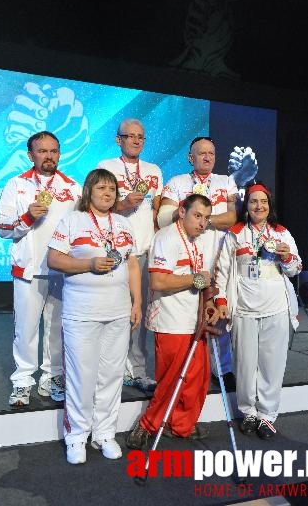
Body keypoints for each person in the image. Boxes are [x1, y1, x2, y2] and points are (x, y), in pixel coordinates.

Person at [47, 169, 142, 464]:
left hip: (117, 312)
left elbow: (133, 266)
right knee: (81, 376)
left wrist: (136, 302)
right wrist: (88, 264)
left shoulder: (124, 224)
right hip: (81, 313)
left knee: (111, 376)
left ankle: (104, 433)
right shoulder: (72, 220)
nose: (108, 193)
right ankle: (77, 436)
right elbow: (54, 259)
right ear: (89, 191)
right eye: (101, 188)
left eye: (112, 189)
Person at [0, 131, 81, 408]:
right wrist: (28, 216)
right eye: (42, 151)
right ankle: (22, 381)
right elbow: (1, 227)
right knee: (26, 328)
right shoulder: (16, 185)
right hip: (28, 270)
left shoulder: (73, 188)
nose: (49, 156)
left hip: (62, 270)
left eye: (53, 151)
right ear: (31, 155)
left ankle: (52, 376)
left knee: (57, 328)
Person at [126, 194, 219, 449]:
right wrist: (195, 280)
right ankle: (147, 425)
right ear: (181, 212)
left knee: (197, 379)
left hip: (193, 320)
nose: (202, 223)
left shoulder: (196, 241)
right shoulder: (166, 238)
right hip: (170, 321)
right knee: (172, 379)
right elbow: (158, 282)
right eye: (197, 216)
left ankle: (180, 425)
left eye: (206, 218)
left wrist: (209, 303)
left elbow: (203, 281)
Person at [214, 181, 302, 439]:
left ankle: (267, 415)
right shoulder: (235, 233)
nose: (259, 206)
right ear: (247, 206)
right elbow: (222, 272)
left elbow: (296, 268)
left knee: (272, 364)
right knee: (244, 364)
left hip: (276, 307)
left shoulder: (282, 233)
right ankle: (248, 412)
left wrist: (286, 257)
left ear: (269, 205)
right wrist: (221, 301)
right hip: (244, 308)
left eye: (263, 201)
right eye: (254, 201)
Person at [157, 136, 238, 391]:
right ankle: (186, 367)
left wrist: (201, 219)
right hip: (186, 256)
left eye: (211, 153)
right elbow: (162, 219)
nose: (207, 157)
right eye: (201, 153)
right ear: (190, 157)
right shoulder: (177, 182)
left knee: (220, 311)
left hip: (220, 255)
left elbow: (233, 217)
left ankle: (222, 369)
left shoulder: (226, 182)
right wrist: (194, 215)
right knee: (190, 312)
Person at [96, 118, 163, 394]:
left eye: (140, 137)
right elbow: (97, 207)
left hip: (145, 251)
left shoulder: (153, 170)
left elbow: (158, 212)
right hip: (115, 251)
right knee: (113, 313)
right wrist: (123, 204)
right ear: (118, 139)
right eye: (130, 136)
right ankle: (111, 370)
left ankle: (137, 370)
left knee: (140, 314)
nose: (136, 140)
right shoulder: (106, 167)